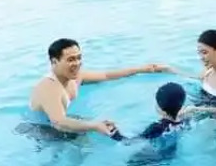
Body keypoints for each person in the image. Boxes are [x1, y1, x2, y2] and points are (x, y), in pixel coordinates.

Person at [25, 37, 170, 138]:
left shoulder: (76, 76)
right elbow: (58, 122)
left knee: (107, 127)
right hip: (42, 129)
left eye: (79, 58)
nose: (77, 63)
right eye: (70, 59)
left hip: (60, 121)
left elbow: (106, 75)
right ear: (54, 62)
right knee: (86, 139)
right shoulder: (49, 87)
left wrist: (143, 69)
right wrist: (94, 126)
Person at [175, 29, 216, 117]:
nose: (201, 57)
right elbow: (193, 77)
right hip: (200, 108)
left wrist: (194, 109)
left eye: (204, 52)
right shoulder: (208, 70)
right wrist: (168, 69)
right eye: (199, 53)